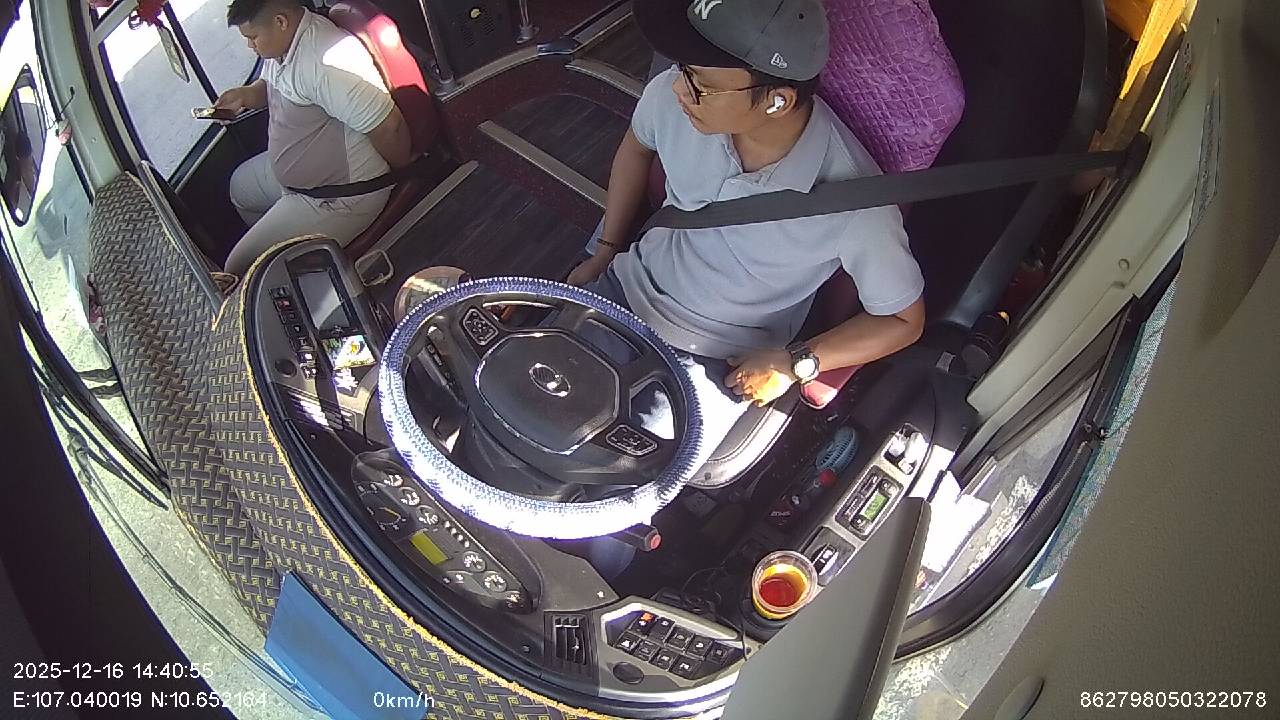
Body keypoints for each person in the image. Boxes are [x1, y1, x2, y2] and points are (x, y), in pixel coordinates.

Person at [565, 0, 926, 462]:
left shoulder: (854, 205)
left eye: (701, 82)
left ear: (777, 100)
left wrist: (798, 363)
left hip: (716, 361)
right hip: (622, 291)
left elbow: (903, 321)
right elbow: (636, 148)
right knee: (514, 392)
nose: (677, 87)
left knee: (608, 472)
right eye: (683, 69)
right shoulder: (676, 100)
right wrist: (605, 249)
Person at [216, 0, 412, 276]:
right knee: (240, 189)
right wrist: (245, 95)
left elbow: (390, 127)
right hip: (301, 181)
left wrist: (403, 173)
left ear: (280, 22)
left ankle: (300, 273)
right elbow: (270, 84)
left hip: (339, 196)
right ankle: (288, 257)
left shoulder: (326, 62)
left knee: (239, 269)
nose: (250, 46)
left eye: (253, 37)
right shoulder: (282, 46)